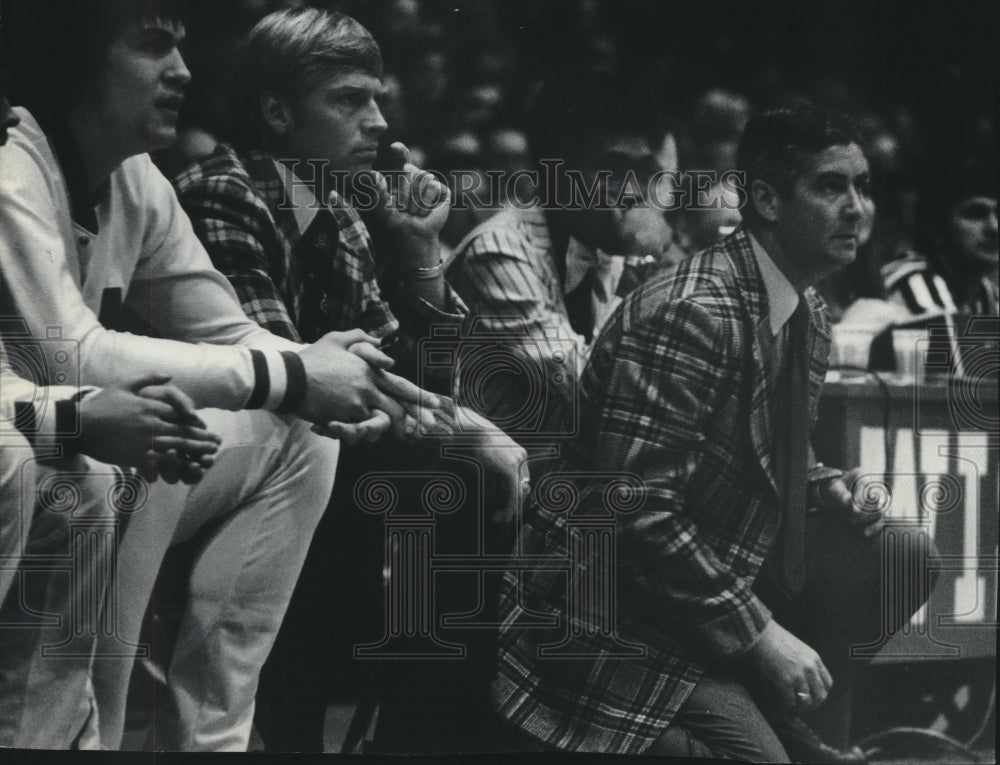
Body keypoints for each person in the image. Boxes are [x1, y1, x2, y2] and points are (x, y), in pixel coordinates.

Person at [0, 0, 439, 750]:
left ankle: (213, 739)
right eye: (150, 46)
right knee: (80, 460)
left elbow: (228, 329)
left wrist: (333, 384)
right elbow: (71, 356)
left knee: (302, 435)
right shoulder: (16, 170)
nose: (182, 71)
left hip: (47, 426)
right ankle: (81, 736)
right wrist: (295, 373)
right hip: (33, 432)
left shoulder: (137, 177)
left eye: (179, 46)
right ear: (74, 60)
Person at [492, 103, 932, 760]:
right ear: (766, 199)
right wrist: (759, 636)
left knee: (900, 551)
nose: (856, 208)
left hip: (699, 594)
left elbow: (759, 453)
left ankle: (801, 725)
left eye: (862, 187)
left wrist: (830, 485)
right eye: (830, 186)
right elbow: (636, 508)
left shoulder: (804, 305)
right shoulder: (692, 311)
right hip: (608, 617)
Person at [172, 7, 526, 752]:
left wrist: (420, 252)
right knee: (452, 480)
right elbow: (281, 375)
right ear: (277, 112)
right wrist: (464, 428)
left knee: (461, 477)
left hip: (318, 466)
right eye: (349, 100)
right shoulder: (223, 193)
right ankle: (418, 739)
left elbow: (409, 374)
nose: (379, 123)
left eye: (378, 98)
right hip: (220, 469)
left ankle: (423, 732)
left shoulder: (340, 206)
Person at [447, 68, 674, 441]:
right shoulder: (498, 252)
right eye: (613, 170)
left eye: (645, 172)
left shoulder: (616, 248)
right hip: (495, 488)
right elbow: (593, 393)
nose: (634, 191)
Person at [883, 157, 998, 318]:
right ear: (935, 229)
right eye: (975, 214)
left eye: (998, 215)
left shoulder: (985, 292)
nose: (994, 227)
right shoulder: (912, 280)